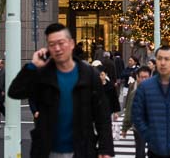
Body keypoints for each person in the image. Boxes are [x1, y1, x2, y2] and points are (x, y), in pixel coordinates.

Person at [8, 23, 114, 158]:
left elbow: (102, 115)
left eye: (61, 43)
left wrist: (105, 149)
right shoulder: (43, 74)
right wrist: (32, 66)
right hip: (47, 150)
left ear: (71, 44)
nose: (57, 48)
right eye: (52, 44)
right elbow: (15, 92)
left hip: (82, 150)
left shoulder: (89, 75)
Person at [122, 66, 152, 158]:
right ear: (137, 78)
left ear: (150, 77)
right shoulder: (134, 93)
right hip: (139, 127)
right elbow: (129, 111)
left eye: (146, 77)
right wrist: (125, 127)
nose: (144, 79)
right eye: (141, 77)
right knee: (140, 151)